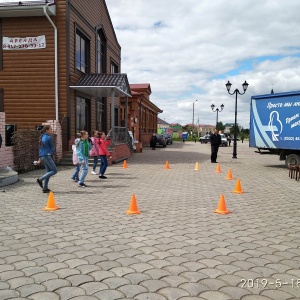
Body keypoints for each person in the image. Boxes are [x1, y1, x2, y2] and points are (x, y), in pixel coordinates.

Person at [36, 125, 57, 193]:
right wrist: (53, 152)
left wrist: (39, 158)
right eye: (50, 129)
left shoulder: (41, 137)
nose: (51, 130)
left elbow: (40, 149)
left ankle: (45, 188)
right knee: (54, 170)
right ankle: (40, 179)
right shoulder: (48, 138)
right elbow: (52, 147)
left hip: (42, 156)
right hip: (47, 156)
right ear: (47, 130)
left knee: (48, 172)